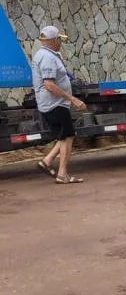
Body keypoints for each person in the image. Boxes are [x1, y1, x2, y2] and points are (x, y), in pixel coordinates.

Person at [32, 25, 87, 184]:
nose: (61, 43)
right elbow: (49, 84)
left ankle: (47, 161)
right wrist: (72, 99)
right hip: (54, 103)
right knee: (68, 136)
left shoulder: (44, 54)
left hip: (53, 103)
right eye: (59, 40)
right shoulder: (48, 58)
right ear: (53, 40)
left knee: (65, 136)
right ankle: (62, 174)